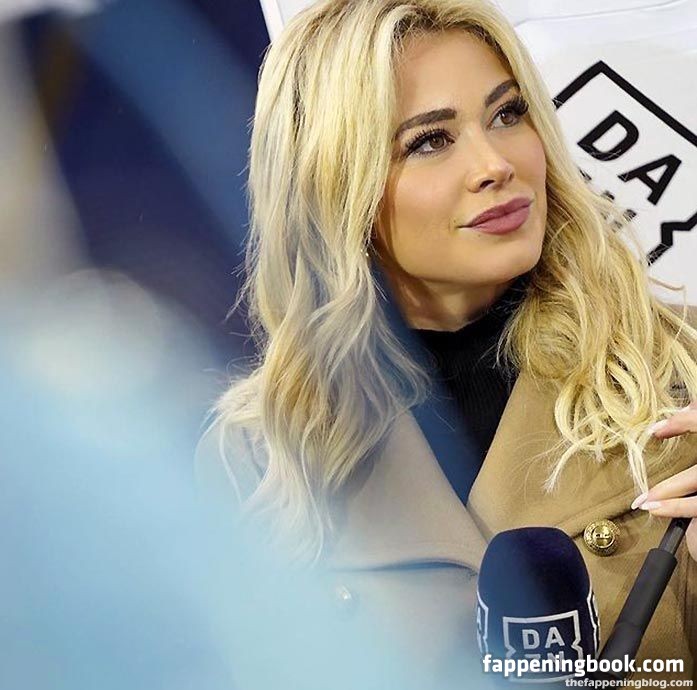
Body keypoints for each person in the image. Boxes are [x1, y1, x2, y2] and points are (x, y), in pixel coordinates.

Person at [195, 0, 697, 684]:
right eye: (429, 141)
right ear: (332, 184)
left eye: (508, 114)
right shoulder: (260, 454)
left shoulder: (679, 370)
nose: (495, 164)